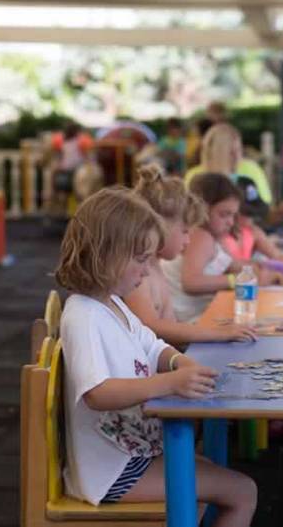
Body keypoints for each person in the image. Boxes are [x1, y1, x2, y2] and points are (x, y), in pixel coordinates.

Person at [53, 187, 257, 521]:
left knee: (208, 475)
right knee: (242, 490)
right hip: (112, 472)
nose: (147, 271)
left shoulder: (111, 303)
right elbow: (98, 392)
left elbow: (153, 345)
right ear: (108, 254)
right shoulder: (84, 315)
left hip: (127, 456)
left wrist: (181, 362)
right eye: (141, 259)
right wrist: (169, 383)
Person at [124, 165, 258, 346]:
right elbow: (150, 327)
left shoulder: (155, 266)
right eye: (185, 231)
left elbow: (169, 327)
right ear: (159, 226)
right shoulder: (138, 275)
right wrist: (216, 333)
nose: (188, 241)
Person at [163, 173, 283, 324]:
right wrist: (238, 281)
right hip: (186, 319)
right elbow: (191, 282)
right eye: (224, 215)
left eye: (233, 215)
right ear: (202, 209)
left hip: (198, 314)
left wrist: (263, 270)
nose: (230, 222)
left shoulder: (215, 239)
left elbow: (234, 264)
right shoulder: (201, 237)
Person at [184, 123, 283, 227]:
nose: (237, 157)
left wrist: (281, 212)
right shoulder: (197, 179)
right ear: (216, 152)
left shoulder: (247, 174)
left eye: (239, 150)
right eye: (230, 152)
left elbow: (262, 214)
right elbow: (191, 220)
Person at [222, 176, 283, 268]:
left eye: (252, 214)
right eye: (246, 213)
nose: (250, 220)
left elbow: (278, 256)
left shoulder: (253, 232)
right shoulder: (220, 235)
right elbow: (229, 265)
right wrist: (263, 265)